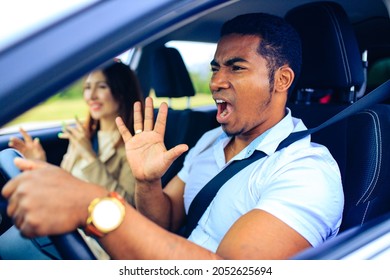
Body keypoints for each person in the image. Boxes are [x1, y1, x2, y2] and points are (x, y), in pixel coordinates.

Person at [2, 13, 344, 260]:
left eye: (236, 67)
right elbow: (165, 221)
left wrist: (93, 206)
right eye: (215, 67)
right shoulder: (210, 141)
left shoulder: (307, 171)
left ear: (282, 80)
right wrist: (148, 181)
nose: (215, 82)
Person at [8, 60, 144, 206]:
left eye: (102, 87)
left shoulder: (133, 148)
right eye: (87, 87)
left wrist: (89, 156)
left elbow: (127, 206)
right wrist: (40, 163)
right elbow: (62, 185)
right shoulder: (83, 136)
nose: (91, 96)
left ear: (122, 92)